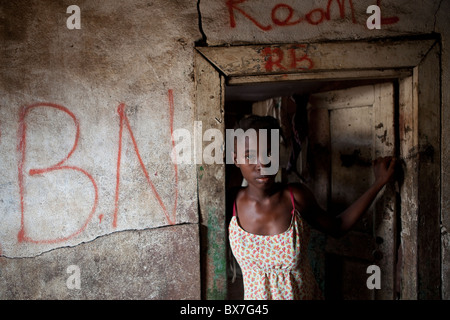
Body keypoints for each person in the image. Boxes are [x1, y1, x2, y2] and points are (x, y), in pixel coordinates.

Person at [228, 115, 396, 300]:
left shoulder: (295, 197)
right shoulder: (231, 202)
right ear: (236, 159)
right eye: (250, 155)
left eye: (270, 153)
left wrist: (378, 183)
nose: (263, 164)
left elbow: (338, 226)